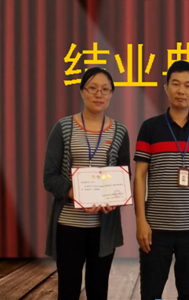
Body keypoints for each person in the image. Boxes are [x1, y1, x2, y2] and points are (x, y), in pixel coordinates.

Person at [43, 67, 131, 300]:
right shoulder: (63, 128)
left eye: (105, 89)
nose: (99, 94)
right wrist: (76, 193)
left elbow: (124, 177)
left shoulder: (120, 131)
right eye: (92, 88)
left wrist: (113, 200)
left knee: (98, 291)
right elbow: (49, 177)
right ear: (82, 91)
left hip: (103, 228)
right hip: (68, 225)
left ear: (112, 94)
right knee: (68, 290)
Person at [134, 60, 189, 300]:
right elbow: (139, 176)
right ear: (166, 88)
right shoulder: (150, 127)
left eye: (188, 85)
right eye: (176, 84)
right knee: (151, 293)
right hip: (155, 228)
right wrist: (140, 220)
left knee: (188, 292)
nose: (181, 90)